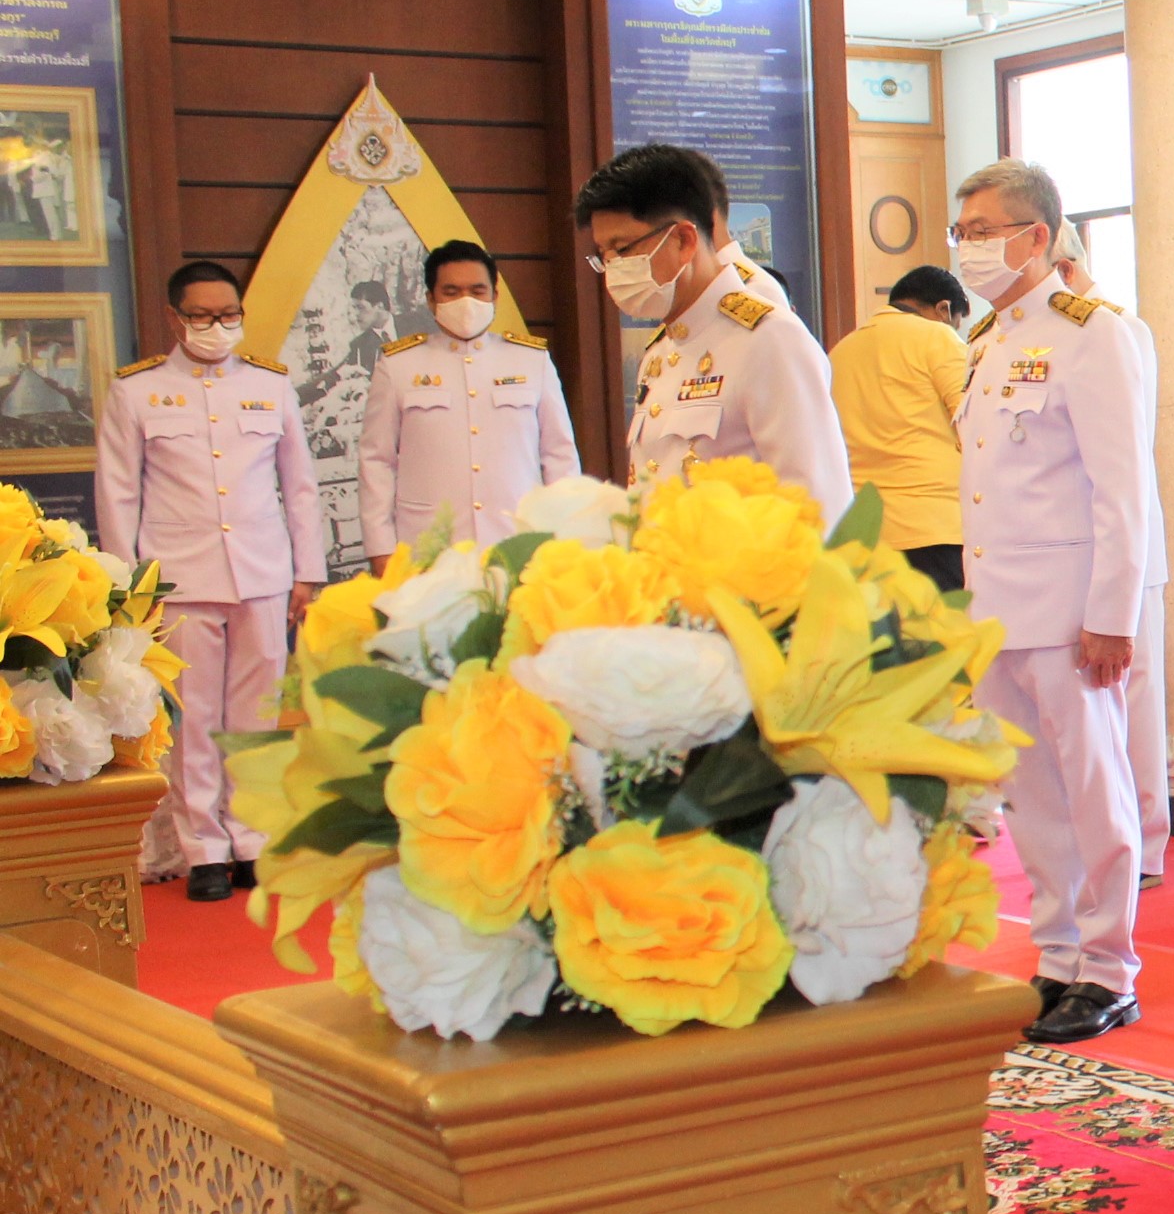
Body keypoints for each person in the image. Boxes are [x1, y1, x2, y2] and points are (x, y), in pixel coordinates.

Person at [948, 161, 1153, 1045]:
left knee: (1095, 791)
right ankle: (1059, 953)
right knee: (1030, 796)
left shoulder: (1090, 332)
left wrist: (1111, 614)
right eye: (961, 232)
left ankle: (1108, 968)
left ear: (1037, 237)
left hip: (1070, 613)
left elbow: (1122, 488)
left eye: (984, 231)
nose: (968, 247)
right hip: (999, 608)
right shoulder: (987, 340)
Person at [97, 260, 325, 902]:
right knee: (194, 718)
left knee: (256, 716)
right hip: (179, 578)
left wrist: (307, 572)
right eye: (202, 316)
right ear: (175, 318)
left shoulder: (270, 385)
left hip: (262, 572)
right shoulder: (138, 391)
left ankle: (252, 840)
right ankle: (204, 849)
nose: (217, 326)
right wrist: (131, 588)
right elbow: (117, 492)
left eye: (228, 314)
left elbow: (299, 486)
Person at [580, 144, 852, 516]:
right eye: (603, 254)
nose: (612, 268)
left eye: (622, 249)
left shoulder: (769, 339)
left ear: (683, 240)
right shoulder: (660, 351)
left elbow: (819, 504)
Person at [1053, 223, 1172, 885]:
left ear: (1065, 268)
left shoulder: (1118, 328)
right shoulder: (1018, 335)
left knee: (1136, 696)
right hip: (1062, 549)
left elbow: (1125, 455)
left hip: (1124, 543)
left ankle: (1145, 844)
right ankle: (1092, 840)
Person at [355, 238, 576, 567]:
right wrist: (381, 548)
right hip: (428, 550)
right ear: (431, 299)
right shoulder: (398, 365)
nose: (466, 301)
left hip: (519, 545)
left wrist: (568, 538)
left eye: (477, 291)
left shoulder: (532, 360)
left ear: (495, 296)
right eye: (451, 292)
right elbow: (376, 461)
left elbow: (560, 456)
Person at [828, 264, 972, 594]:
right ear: (943, 310)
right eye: (956, 323)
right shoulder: (936, 336)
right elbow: (974, 422)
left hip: (865, 534)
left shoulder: (841, 351)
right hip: (935, 528)